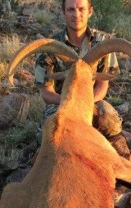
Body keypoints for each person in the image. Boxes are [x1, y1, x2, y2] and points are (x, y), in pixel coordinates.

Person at [35, 0, 123, 141]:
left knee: (112, 125)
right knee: (48, 134)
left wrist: (84, 104)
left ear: (90, 11)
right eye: (71, 10)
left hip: (92, 101)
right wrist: (71, 103)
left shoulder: (103, 42)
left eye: (81, 9)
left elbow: (102, 85)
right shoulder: (49, 47)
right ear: (63, 13)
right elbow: (46, 93)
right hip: (61, 104)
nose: (76, 14)